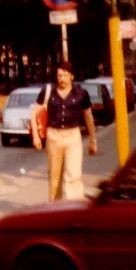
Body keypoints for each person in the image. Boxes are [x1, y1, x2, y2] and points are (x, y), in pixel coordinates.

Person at [32, 62, 97, 202]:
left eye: (65, 75)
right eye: (59, 75)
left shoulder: (81, 93)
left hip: (73, 136)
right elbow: (34, 113)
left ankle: (75, 208)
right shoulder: (48, 92)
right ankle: (55, 210)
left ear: (71, 76)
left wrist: (93, 140)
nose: (61, 78)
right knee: (54, 178)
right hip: (53, 137)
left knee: (74, 176)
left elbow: (88, 116)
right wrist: (36, 136)